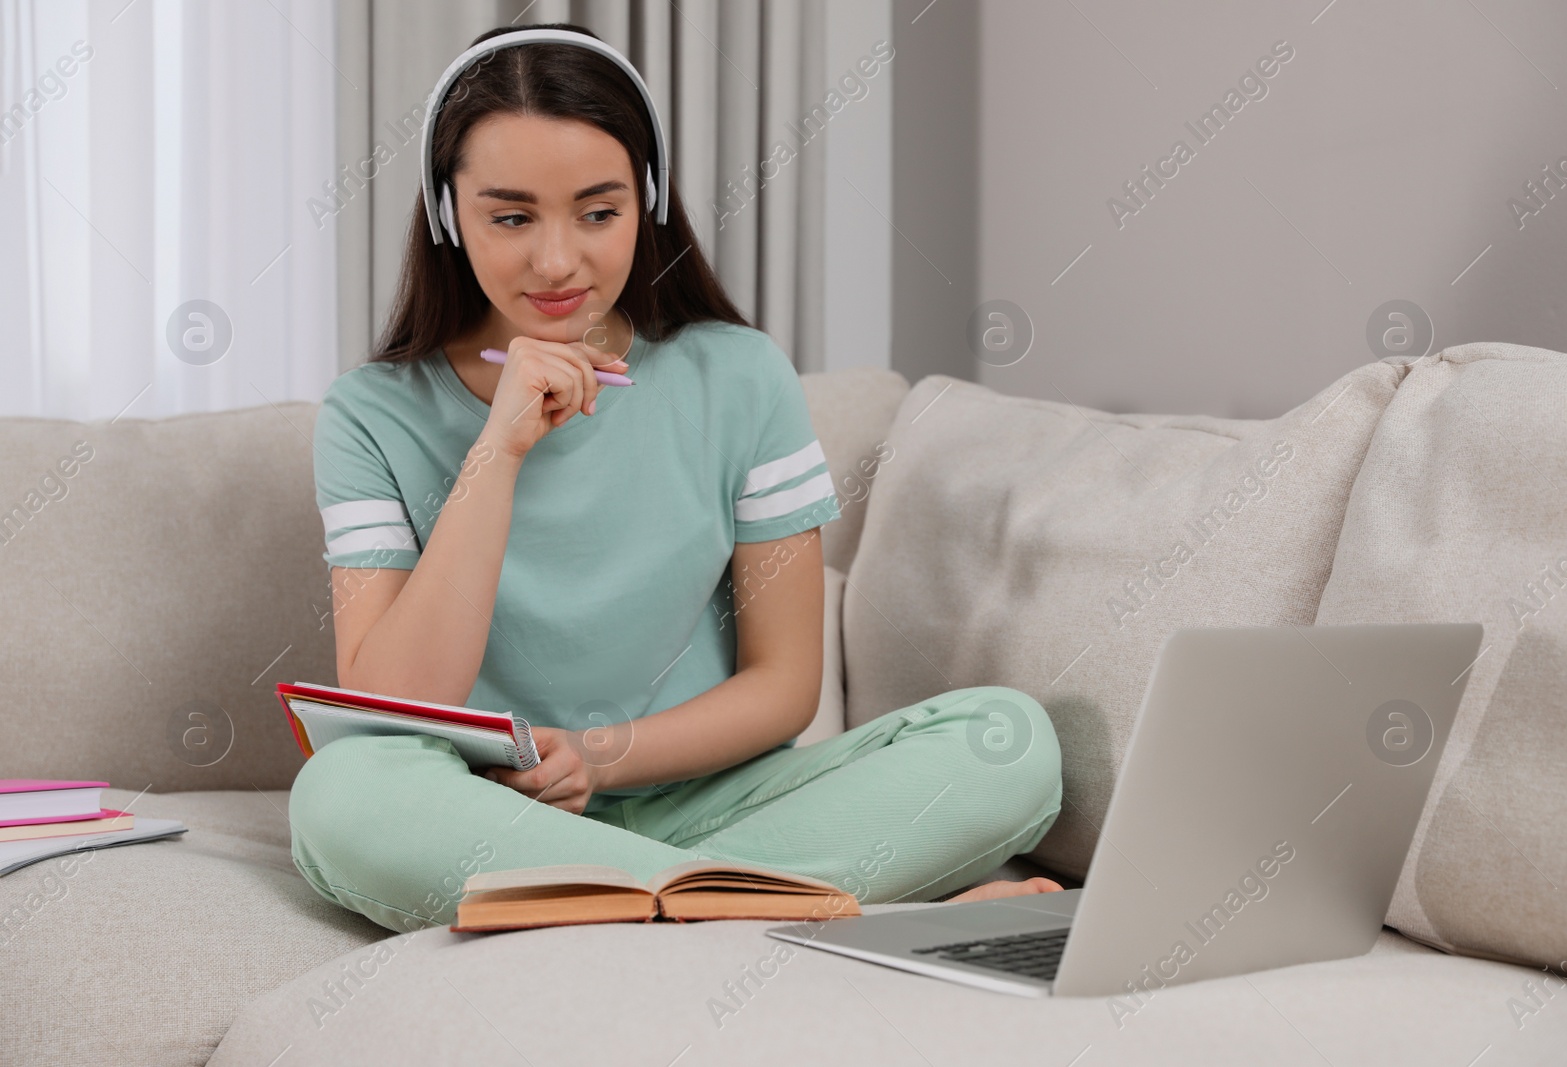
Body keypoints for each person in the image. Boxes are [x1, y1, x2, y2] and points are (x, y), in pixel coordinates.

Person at [288, 22, 1063, 934]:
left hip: (714, 799)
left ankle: (633, 900)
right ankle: (809, 908)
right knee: (341, 793)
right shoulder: (368, 414)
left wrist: (599, 756)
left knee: (1007, 741)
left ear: (646, 202)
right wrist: (497, 450)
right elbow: (393, 707)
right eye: (510, 216)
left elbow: (783, 686)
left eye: (599, 211)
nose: (557, 260)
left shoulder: (737, 377)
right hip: (488, 813)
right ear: (447, 211)